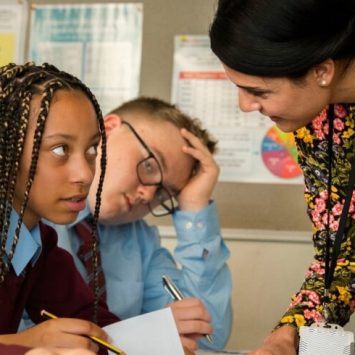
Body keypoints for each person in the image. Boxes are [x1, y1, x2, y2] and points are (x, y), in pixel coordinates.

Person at [209, 0, 355, 354]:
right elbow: (341, 256)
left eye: (258, 92)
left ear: (322, 70)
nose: (245, 106)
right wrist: (291, 331)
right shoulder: (320, 120)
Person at [49, 97, 232, 351]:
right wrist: (146, 335)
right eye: (149, 166)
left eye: (163, 193)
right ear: (108, 130)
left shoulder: (140, 240)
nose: (147, 195)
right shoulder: (26, 215)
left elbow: (210, 338)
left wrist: (195, 208)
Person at [0, 62, 118, 354]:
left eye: (92, 150)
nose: (85, 174)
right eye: (60, 150)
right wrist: (25, 344)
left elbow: (95, 328)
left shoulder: (36, 244)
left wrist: (160, 342)